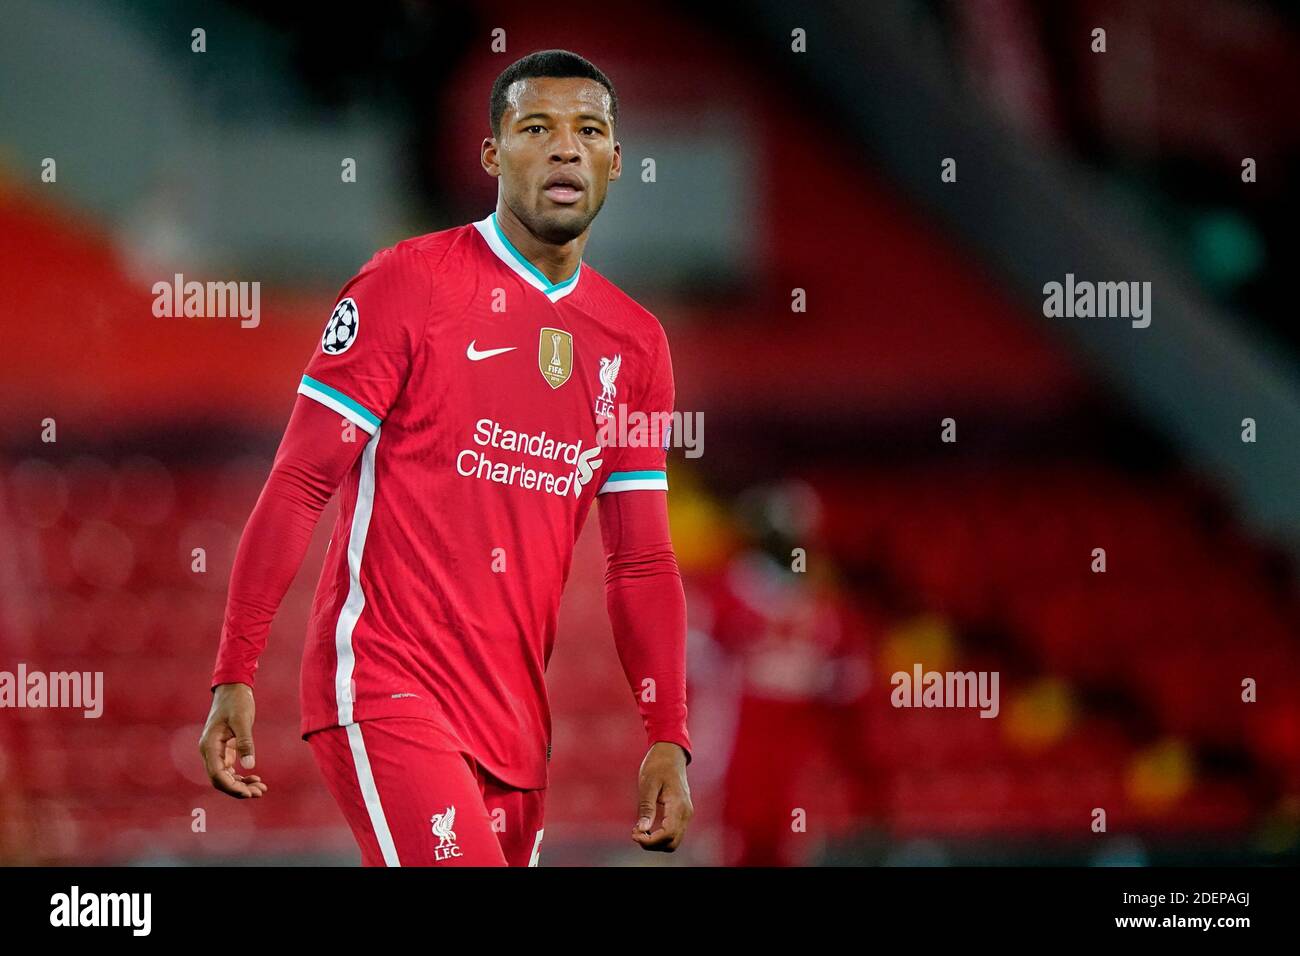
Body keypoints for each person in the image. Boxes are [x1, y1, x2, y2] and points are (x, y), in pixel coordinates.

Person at [198, 49, 692, 866]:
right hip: (387, 686)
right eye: (537, 128)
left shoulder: (636, 345)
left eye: (589, 130)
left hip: (513, 727)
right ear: (493, 154)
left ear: (614, 159)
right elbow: (299, 481)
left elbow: (640, 559)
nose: (566, 148)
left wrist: (667, 735)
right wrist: (234, 671)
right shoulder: (409, 285)